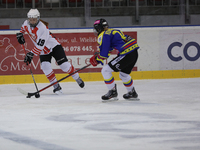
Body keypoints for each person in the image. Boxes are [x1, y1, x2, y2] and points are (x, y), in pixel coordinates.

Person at [16, 9, 84, 94]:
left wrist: (31, 54)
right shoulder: (26, 23)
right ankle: (56, 86)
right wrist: (20, 34)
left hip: (54, 47)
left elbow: (40, 45)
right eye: (30, 19)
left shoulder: (42, 28)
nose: (32, 21)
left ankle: (77, 78)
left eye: (34, 19)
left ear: (38, 18)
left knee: (65, 66)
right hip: (44, 51)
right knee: (45, 67)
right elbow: (23, 29)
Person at [89, 18, 139, 101]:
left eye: (96, 29)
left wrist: (97, 59)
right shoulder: (113, 31)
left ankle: (112, 92)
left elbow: (104, 54)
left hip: (126, 54)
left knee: (105, 70)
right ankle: (132, 92)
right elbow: (109, 49)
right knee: (124, 74)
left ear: (99, 28)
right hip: (134, 53)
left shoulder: (103, 35)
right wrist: (100, 57)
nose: (96, 31)